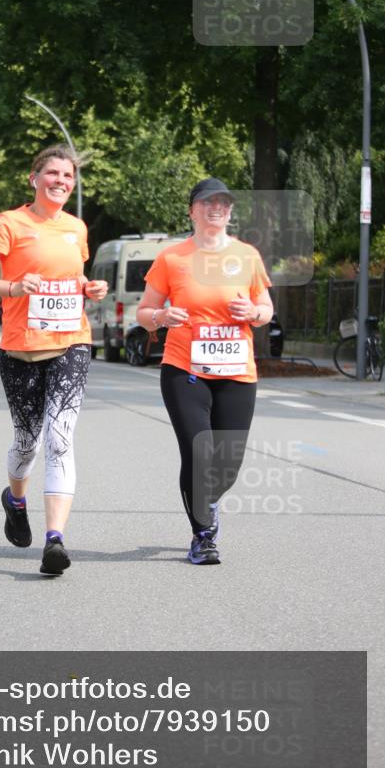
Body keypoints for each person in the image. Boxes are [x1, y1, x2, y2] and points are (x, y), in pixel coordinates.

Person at [0, 144, 108, 576]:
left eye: (68, 176)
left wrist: (89, 288)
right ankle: (15, 499)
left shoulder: (77, 228)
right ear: (34, 178)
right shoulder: (11, 223)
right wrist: (12, 289)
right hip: (21, 346)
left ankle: (55, 539)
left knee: (60, 438)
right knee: (27, 442)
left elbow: (74, 277)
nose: (61, 181)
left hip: (71, 342)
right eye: (53, 174)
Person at [136, 177, 273, 566]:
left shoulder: (247, 255)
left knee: (227, 465)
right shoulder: (172, 258)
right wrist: (161, 316)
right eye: (208, 202)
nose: (217, 208)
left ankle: (207, 501)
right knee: (199, 453)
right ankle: (203, 536)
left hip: (236, 372)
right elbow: (144, 313)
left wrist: (255, 313)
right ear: (192, 209)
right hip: (185, 369)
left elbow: (266, 308)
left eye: (224, 203)